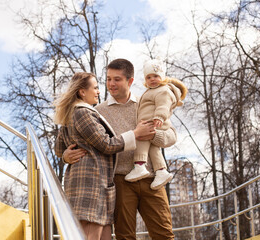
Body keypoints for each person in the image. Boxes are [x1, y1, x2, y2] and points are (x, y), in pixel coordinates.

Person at [63, 59, 178, 239]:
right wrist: (65, 155)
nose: (111, 84)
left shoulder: (147, 102)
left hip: (152, 178)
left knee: (164, 234)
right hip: (121, 180)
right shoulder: (97, 111)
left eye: (117, 79)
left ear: (130, 81)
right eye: (108, 79)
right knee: (125, 236)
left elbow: (171, 135)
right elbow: (72, 139)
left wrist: (152, 135)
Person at [53, 72, 154, 240]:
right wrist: (135, 133)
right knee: (90, 234)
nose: (99, 91)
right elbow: (106, 144)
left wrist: (65, 156)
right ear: (82, 92)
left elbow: (59, 149)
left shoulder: (72, 114)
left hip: (98, 185)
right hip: (89, 184)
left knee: (104, 234)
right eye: (95, 87)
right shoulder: (82, 113)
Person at [125, 59, 187, 190]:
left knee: (141, 139)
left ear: (163, 77)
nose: (152, 79)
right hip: (151, 122)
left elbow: (163, 105)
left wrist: (159, 117)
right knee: (154, 149)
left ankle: (139, 165)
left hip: (153, 123)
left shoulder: (163, 90)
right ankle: (161, 171)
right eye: (149, 77)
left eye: (156, 76)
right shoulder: (151, 91)